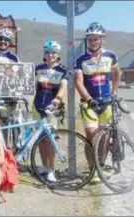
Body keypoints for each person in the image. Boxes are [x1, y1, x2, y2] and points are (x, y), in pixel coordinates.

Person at [74, 22, 122, 183]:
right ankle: (92, 170)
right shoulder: (81, 59)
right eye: (90, 39)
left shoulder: (110, 56)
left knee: (104, 137)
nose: (92, 42)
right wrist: (89, 100)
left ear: (102, 39)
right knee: (91, 137)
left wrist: (114, 92)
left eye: (95, 39)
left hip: (107, 103)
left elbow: (117, 73)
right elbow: (78, 83)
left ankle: (101, 166)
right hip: (89, 104)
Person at [32, 40, 68, 181]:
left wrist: (58, 99)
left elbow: (63, 86)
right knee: (41, 139)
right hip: (37, 106)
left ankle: (51, 168)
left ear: (58, 54)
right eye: (47, 52)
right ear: (44, 54)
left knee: (51, 139)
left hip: (51, 108)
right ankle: (44, 166)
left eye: (53, 52)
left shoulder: (62, 70)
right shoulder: (38, 68)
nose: (50, 54)